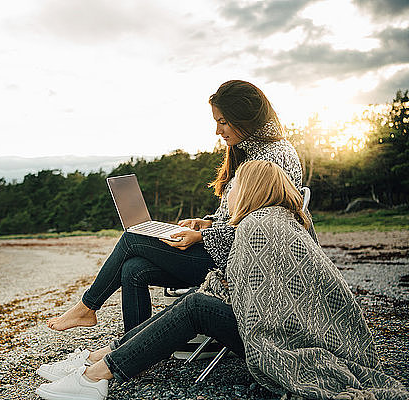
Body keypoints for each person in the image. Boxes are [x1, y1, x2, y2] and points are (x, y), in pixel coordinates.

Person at [35, 160, 409, 400]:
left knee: (197, 304)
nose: (229, 198)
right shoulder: (279, 219)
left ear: (250, 191)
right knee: (196, 299)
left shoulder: (259, 226)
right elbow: (251, 285)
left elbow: (261, 300)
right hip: (296, 327)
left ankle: (99, 373)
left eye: (234, 191)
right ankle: (101, 358)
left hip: (284, 337)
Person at [48, 80, 307, 333]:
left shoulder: (273, 158)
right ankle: (132, 345)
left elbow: (262, 230)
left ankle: (87, 307)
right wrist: (207, 223)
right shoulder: (252, 151)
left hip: (237, 263)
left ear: (244, 117)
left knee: (132, 239)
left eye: (223, 122)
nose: (218, 131)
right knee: (133, 268)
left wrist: (202, 236)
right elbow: (240, 216)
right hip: (223, 249)